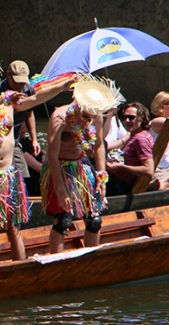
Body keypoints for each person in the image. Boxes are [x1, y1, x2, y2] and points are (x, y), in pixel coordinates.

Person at [0, 51, 75, 261]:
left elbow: (37, 98)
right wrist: (4, 97)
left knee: (14, 229)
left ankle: (20, 268)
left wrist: (61, 87)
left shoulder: (9, 106)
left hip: (8, 176)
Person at [42, 75, 123, 253]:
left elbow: (100, 145)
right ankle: (57, 263)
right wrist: (61, 189)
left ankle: (91, 259)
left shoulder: (95, 115)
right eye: (85, 116)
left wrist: (102, 175)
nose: (88, 121)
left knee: (94, 220)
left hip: (83, 167)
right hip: (60, 168)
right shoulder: (60, 119)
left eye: (92, 117)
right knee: (63, 220)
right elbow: (52, 155)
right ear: (77, 103)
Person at [0, 60, 40, 180]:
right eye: (17, 82)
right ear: (8, 75)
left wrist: (34, 140)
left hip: (16, 142)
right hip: (1, 142)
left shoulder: (28, 90)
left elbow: (29, 114)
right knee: (6, 177)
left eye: (22, 82)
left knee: (24, 177)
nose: (19, 86)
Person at [105, 102, 156, 195]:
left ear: (141, 118)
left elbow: (149, 171)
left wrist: (121, 167)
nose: (127, 121)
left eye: (132, 117)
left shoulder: (140, 139)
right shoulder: (134, 136)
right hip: (119, 181)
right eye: (124, 117)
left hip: (122, 186)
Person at [17, 122, 45, 196]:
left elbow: (48, 155)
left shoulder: (31, 142)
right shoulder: (18, 146)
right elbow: (39, 168)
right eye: (20, 122)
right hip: (31, 186)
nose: (23, 124)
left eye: (24, 121)